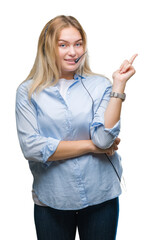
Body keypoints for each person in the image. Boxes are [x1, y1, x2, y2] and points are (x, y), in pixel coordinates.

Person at [15, 15, 137, 240]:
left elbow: (104, 140)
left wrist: (118, 86)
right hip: (52, 198)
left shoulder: (100, 85)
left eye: (78, 43)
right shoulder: (28, 91)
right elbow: (32, 148)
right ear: (47, 47)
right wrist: (91, 146)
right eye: (63, 45)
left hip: (101, 195)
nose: (73, 52)